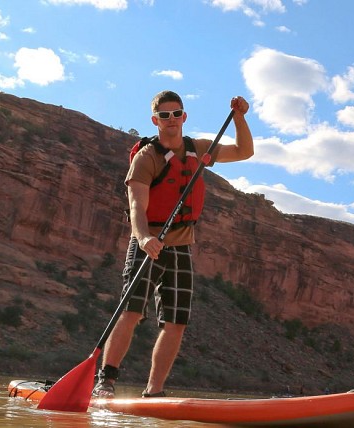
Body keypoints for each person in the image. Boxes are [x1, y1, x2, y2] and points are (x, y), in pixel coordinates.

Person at [92, 90, 254, 398]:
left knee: (175, 322)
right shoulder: (145, 158)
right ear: (155, 120)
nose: (171, 120)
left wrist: (240, 118)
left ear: (184, 116)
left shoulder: (199, 149)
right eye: (164, 116)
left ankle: (154, 391)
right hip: (148, 243)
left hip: (181, 246)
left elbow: (244, 151)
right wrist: (144, 238)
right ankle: (106, 381)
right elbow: (137, 206)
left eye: (176, 114)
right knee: (133, 312)